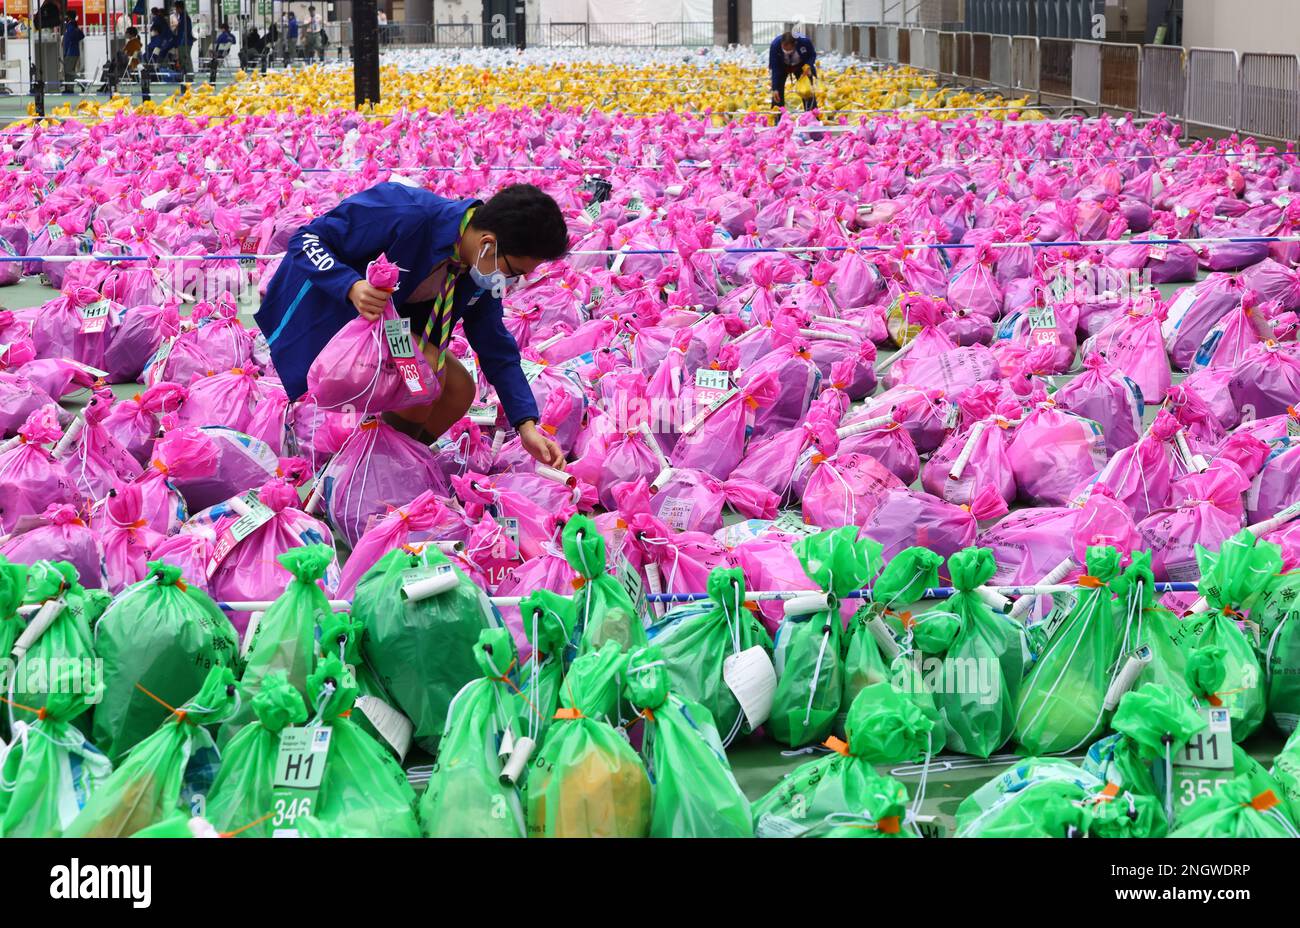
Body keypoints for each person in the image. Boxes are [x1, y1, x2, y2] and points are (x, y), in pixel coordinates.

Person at [255, 183, 570, 466]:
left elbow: (495, 345)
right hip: (330, 318)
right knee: (423, 375)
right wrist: (351, 286)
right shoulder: (406, 213)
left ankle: (389, 465)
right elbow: (306, 240)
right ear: (488, 243)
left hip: (387, 333)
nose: (510, 281)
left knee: (459, 389)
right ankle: (369, 468)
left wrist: (526, 425)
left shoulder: (478, 269)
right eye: (513, 270)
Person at [768, 30, 817, 110]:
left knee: (807, 91)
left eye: (789, 49)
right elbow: (775, 68)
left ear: (795, 44)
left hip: (801, 66)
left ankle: (811, 115)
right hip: (782, 66)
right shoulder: (775, 45)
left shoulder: (804, 42)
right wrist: (775, 88)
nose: (787, 51)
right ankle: (778, 117)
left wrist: (808, 65)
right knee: (777, 94)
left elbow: (812, 55)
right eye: (784, 49)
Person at [61, 11, 84, 94]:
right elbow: (82, 35)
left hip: (70, 52)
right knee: (70, 72)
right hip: (75, 51)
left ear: (69, 17)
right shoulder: (75, 26)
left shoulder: (70, 26)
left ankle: (83, 83)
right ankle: (69, 88)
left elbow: (68, 40)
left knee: (68, 71)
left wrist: (65, 50)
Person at [172, 0, 195, 79]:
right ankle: (188, 76)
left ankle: (189, 77)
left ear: (179, 8)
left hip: (184, 42)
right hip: (185, 41)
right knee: (185, 59)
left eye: (176, 8)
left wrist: (180, 43)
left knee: (185, 59)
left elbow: (184, 32)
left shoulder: (184, 17)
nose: (175, 10)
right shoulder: (183, 17)